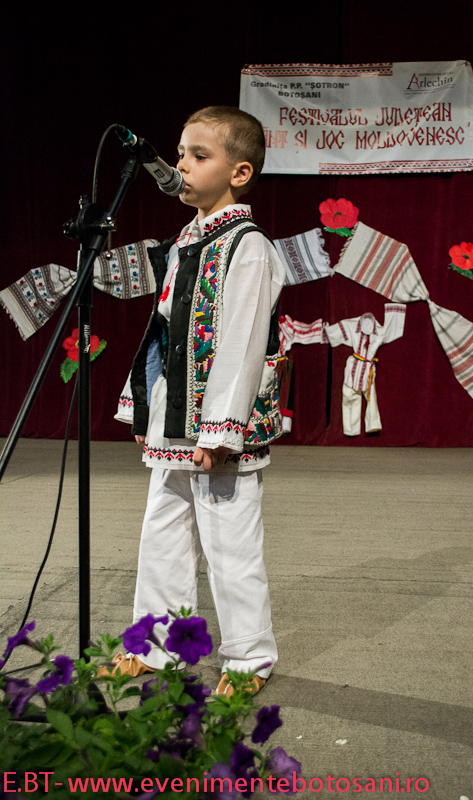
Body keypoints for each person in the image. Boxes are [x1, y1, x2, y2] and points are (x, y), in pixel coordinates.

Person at [111, 106, 285, 696]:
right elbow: (162, 331)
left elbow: (242, 344)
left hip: (217, 426)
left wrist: (221, 430)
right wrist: (144, 406)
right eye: (182, 153)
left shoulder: (247, 246)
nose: (181, 165)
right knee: (162, 531)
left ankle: (248, 659)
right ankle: (156, 644)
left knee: (229, 540)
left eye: (198, 156)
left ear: (239, 172)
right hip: (174, 414)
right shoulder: (187, 241)